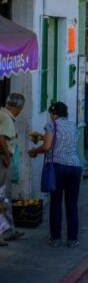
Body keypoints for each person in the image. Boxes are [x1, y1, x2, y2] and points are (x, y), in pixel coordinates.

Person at [28, 102, 81, 248]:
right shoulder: (74, 126)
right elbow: (64, 142)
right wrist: (42, 137)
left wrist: (33, 151)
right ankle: (73, 238)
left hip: (58, 167)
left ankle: (56, 238)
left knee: (56, 202)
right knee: (72, 204)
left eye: (51, 114)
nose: (50, 116)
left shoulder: (51, 125)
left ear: (54, 113)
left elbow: (47, 146)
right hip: (75, 166)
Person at [0, 93, 25, 245]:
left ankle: (8, 229)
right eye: (21, 109)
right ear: (17, 107)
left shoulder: (2, 114)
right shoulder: (6, 118)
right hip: (2, 160)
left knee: (3, 196)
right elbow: (1, 138)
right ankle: (5, 231)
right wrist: (7, 156)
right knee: (3, 196)